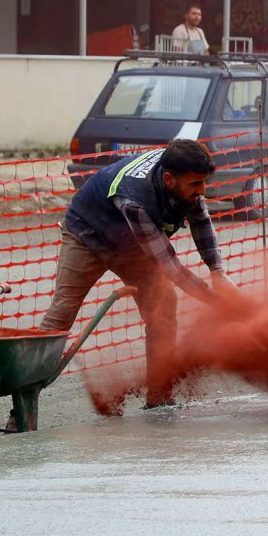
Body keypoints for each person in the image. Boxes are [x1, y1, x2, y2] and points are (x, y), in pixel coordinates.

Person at [40, 139, 238, 408]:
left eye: (203, 183)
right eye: (195, 184)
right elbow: (170, 267)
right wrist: (215, 301)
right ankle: (23, 401)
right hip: (87, 235)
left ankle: (159, 399)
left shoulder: (182, 174)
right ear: (169, 179)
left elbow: (201, 220)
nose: (201, 191)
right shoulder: (135, 199)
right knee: (60, 316)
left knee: (163, 310)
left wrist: (218, 273)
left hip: (131, 245)